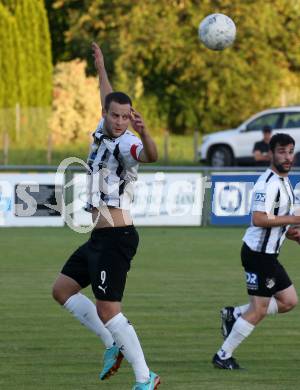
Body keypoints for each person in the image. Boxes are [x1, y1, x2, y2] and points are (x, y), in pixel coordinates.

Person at [52, 42, 160, 390]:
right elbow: (108, 95)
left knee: (110, 310)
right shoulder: (103, 127)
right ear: (106, 113)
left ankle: (146, 378)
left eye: (125, 116)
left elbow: (150, 155)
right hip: (99, 236)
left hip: (117, 237)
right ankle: (112, 344)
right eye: (115, 115)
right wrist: (101, 68)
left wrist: (144, 133)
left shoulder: (128, 143)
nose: (119, 121)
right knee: (63, 289)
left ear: (131, 118)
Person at [212, 133, 300, 370]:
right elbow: (259, 219)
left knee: (289, 301)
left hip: (269, 255)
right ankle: (223, 355)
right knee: (259, 309)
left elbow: (281, 224)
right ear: (271, 153)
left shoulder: (285, 183)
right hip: (257, 255)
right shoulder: (267, 183)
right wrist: (293, 218)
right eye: (281, 151)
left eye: (290, 151)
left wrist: (294, 234)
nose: (287, 156)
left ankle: (234, 313)